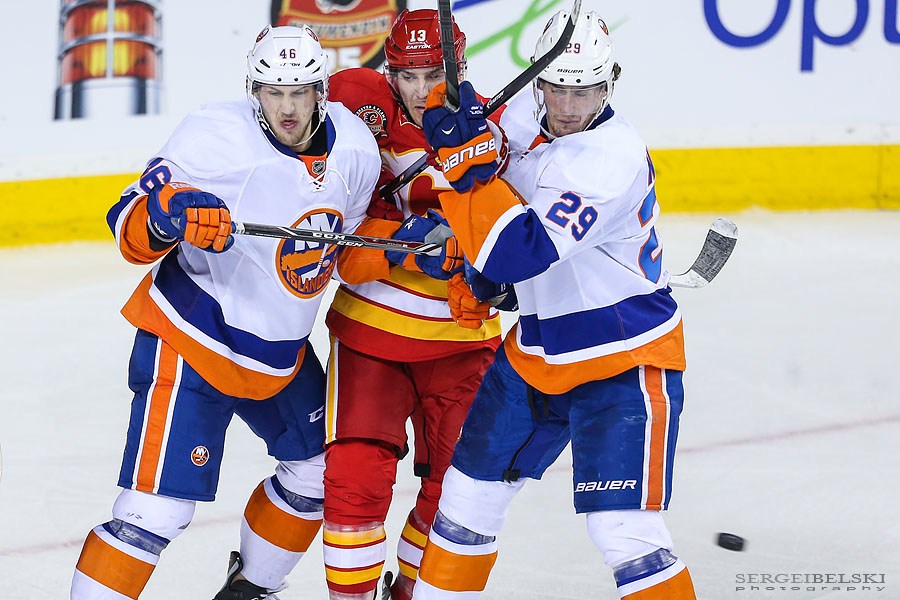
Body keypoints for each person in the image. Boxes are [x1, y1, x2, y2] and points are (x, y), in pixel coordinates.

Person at [69, 25, 381, 600]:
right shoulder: (214, 136)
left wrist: (401, 252)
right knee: (153, 514)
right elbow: (127, 221)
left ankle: (247, 591)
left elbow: (347, 249)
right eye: (272, 92)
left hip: (280, 354)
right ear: (253, 90)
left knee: (319, 474)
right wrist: (168, 213)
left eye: (299, 92)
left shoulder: (357, 149)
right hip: (193, 341)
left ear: (322, 91)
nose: (287, 109)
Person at [410, 10, 697, 599]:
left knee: (625, 533)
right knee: (465, 501)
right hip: (537, 350)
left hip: (623, 355)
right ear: (539, 81)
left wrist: (462, 180)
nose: (567, 106)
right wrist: (456, 124)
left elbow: (515, 252)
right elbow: (488, 159)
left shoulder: (610, 158)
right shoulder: (525, 111)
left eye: (584, 91)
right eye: (557, 89)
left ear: (610, 84)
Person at [318, 9, 509, 600]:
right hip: (371, 333)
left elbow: (519, 237)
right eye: (408, 76)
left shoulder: (498, 127)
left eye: (435, 75)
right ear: (389, 73)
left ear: (460, 71)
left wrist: (482, 269)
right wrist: (399, 244)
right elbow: (336, 240)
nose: (422, 91)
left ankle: (408, 591)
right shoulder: (355, 111)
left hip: (461, 340)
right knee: (354, 482)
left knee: (457, 491)